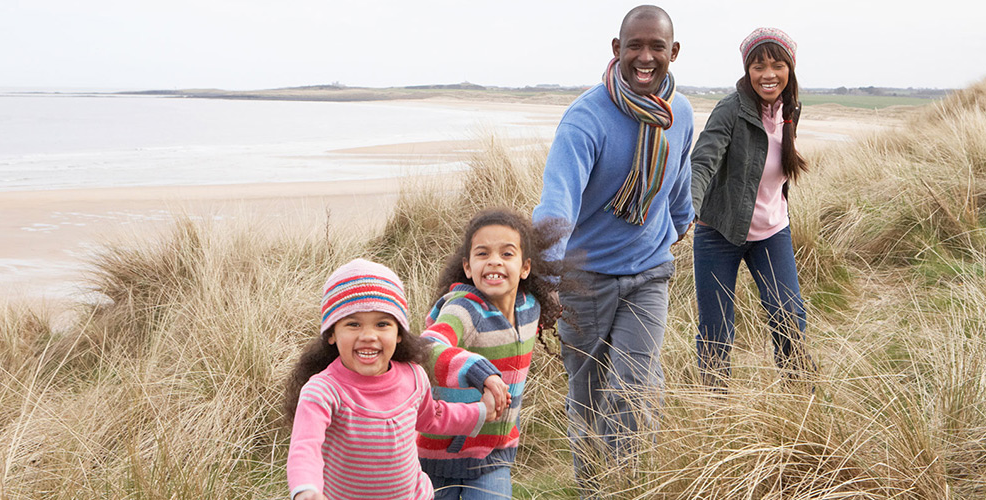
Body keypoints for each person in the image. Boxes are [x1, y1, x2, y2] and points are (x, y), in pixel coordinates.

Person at [531, 4, 694, 492]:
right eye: (635, 46)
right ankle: (594, 489)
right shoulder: (585, 119)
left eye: (657, 47)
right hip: (583, 280)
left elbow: (678, 179)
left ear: (673, 52)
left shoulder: (680, 114)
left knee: (635, 389)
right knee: (587, 395)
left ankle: (630, 487)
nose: (645, 57)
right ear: (617, 49)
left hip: (649, 274)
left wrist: (678, 223)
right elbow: (557, 205)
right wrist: (546, 284)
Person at [283, 258, 492, 500]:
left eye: (382, 324)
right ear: (332, 333)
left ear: (399, 333)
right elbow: (305, 446)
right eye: (353, 324)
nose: (369, 336)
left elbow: (432, 417)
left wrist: (480, 412)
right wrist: (307, 490)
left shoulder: (414, 376)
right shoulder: (322, 391)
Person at [689, 27, 815, 388]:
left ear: (790, 69)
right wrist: (687, 209)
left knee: (788, 316)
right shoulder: (730, 110)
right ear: (748, 70)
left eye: (777, 65)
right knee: (716, 329)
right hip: (719, 231)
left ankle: (800, 396)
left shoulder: (792, 108)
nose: (768, 75)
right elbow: (703, 162)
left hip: (772, 231)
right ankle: (715, 405)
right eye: (758, 66)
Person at [417, 208, 562, 500]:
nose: (494, 260)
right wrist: (478, 371)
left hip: (494, 454)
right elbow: (428, 346)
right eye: (482, 253)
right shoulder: (464, 309)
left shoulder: (530, 309)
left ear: (525, 267)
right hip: (438, 456)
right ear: (468, 267)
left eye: (507, 254)